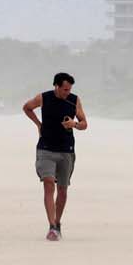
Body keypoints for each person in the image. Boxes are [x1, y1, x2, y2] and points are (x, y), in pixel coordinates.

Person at [22, 72, 88, 241]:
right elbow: (27, 107)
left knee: (63, 190)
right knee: (49, 183)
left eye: (69, 89)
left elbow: (84, 124)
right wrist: (38, 124)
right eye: (65, 89)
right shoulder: (44, 98)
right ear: (56, 86)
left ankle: (57, 223)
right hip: (45, 149)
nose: (67, 92)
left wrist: (74, 124)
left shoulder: (74, 100)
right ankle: (51, 226)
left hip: (66, 150)